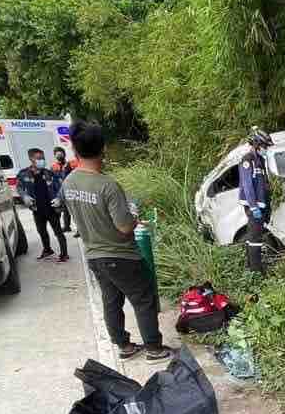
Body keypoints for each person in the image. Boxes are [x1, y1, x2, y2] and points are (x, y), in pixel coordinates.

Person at [61, 121, 170, 363]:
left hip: (94, 255)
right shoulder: (107, 185)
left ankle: (124, 346)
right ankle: (154, 348)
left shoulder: (68, 182)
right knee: (143, 299)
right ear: (103, 149)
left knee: (111, 301)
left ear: (75, 150)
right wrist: (134, 215)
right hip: (121, 255)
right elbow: (124, 226)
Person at [16, 148, 68, 262]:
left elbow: (61, 187)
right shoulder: (23, 174)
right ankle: (47, 250)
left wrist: (59, 198)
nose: (42, 161)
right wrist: (24, 196)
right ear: (31, 159)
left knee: (58, 232)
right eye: (39, 158)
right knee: (41, 231)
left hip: (51, 208)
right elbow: (19, 187)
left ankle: (64, 254)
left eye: (43, 158)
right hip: (37, 209)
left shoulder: (49, 173)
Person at [238, 127, 273, 273]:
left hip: (261, 205)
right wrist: (253, 207)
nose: (266, 149)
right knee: (255, 239)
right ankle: (256, 271)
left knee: (254, 235)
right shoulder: (248, 160)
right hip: (254, 206)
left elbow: (263, 182)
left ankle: (252, 266)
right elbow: (247, 185)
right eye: (264, 146)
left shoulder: (260, 160)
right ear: (257, 145)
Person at [51, 146, 78, 236]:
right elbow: (53, 180)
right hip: (61, 191)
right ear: (55, 156)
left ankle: (80, 229)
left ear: (64, 154)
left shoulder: (71, 164)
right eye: (57, 154)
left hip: (72, 190)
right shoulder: (53, 166)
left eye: (60, 154)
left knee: (75, 211)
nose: (59, 156)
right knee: (65, 210)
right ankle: (67, 226)